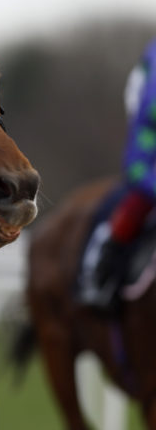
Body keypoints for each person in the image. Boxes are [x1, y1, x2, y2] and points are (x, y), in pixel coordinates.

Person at [79, 37, 156, 309]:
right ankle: (100, 274)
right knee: (137, 200)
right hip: (146, 158)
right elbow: (137, 168)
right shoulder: (151, 69)